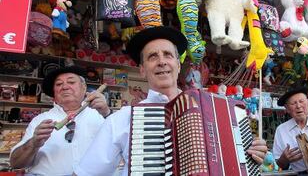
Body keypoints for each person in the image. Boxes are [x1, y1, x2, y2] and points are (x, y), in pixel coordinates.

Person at [74, 26, 268, 175]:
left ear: (178, 63)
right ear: (142, 69)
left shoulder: (215, 109)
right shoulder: (122, 119)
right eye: (152, 57)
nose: (161, 61)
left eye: (168, 55)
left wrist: (251, 155)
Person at [9, 66, 111, 175]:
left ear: (84, 87)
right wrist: (34, 143)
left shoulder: (101, 115)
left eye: (71, 82)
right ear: (54, 92)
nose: (65, 87)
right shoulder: (40, 120)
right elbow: (15, 163)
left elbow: (126, 144)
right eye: (58, 84)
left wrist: (107, 113)